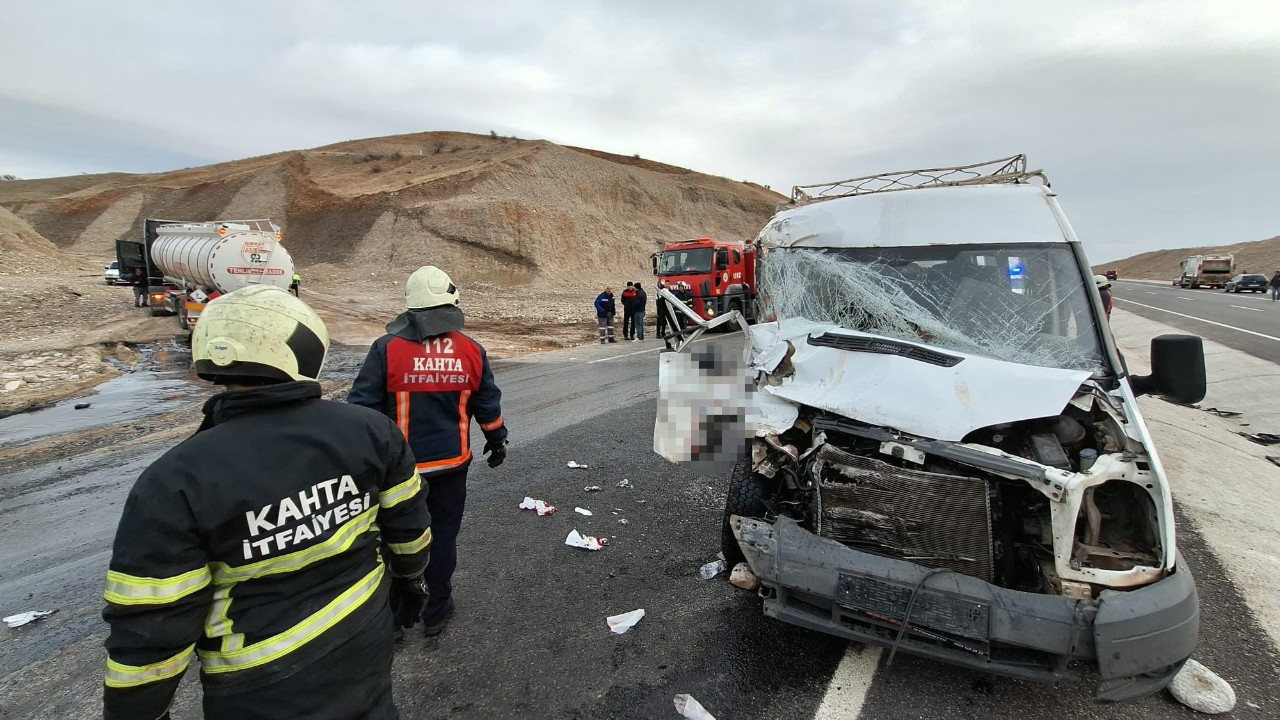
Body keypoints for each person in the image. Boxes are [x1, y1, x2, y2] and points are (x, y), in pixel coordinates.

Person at [102, 285, 431, 720]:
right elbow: (409, 528)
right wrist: (412, 581)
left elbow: (151, 626)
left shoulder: (175, 479)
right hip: (363, 633)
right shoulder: (370, 432)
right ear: (306, 348)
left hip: (258, 682)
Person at [348, 265, 506, 637]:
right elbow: (488, 405)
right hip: (452, 465)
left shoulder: (386, 349)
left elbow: (362, 409)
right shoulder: (471, 351)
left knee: (392, 540)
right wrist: (497, 440)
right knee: (443, 537)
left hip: (397, 472)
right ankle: (436, 610)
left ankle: (395, 616)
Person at [655, 279, 675, 346]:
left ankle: (663, 333)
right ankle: (658, 334)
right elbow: (658, 300)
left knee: (665, 321)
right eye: (666, 283)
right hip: (661, 308)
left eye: (668, 283)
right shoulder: (662, 291)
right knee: (660, 321)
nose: (667, 285)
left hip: (668, 308)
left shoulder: (671, 291)